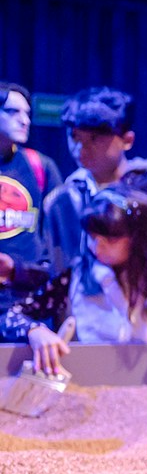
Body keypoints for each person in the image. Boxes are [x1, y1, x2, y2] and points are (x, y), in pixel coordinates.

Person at [5, 185, 147, 375]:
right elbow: (11, 316)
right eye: (93, 237)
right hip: (93, 387)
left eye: (111, 240)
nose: (97, 247)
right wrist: (35, 331)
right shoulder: (77, 276)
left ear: (139, 239)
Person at [40, 87, 147, 291]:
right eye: (75, 137)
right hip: (84, 315)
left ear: (127, 140)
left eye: (95, 138)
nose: (81, 148)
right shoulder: (62, 200)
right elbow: (54, 271)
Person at [0, 82, 64, 314]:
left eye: (28, 113)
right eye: (13, 111)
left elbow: (59, 242)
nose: (25, 120)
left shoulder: (41, 167)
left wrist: (19, 270)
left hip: (28, 300)